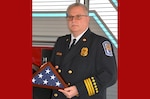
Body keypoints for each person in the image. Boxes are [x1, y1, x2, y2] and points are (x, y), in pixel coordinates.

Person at [50, 2, 117, 99]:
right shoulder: (61, 41)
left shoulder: (100, 43)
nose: (73, 20)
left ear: (87, 19)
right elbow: (54, 68)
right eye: (70, 17)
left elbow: (109, 76)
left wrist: (79, 89)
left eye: (78, 16)